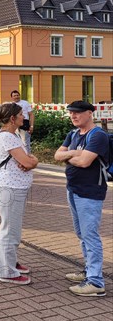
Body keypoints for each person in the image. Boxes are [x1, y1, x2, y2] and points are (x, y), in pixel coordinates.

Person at [54, 101, 108, 297]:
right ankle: (88, 271)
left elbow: (85, 162)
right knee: (81, 233)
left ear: (89, 114)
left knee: (90, 234)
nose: (73, 116)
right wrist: (74, 153)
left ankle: (95, 282)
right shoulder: (74, 134)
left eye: (77, 113)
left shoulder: (98, 136)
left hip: (90, 192)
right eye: (71, 113)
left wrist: (70, 156)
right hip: (73, 189)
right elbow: (57, 155)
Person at [0, 103, 38, 285]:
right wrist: (33, 161)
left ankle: (10, 262)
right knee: (9, 231)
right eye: (20, 114)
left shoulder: (12, 135)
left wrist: (28, 161)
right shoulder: (8, 138)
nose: (23, 117)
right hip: (9, 189)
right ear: (12, 118)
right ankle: (6, 271)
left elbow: (24, 161)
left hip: (13, 188)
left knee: (12, 229)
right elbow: (27, 162)